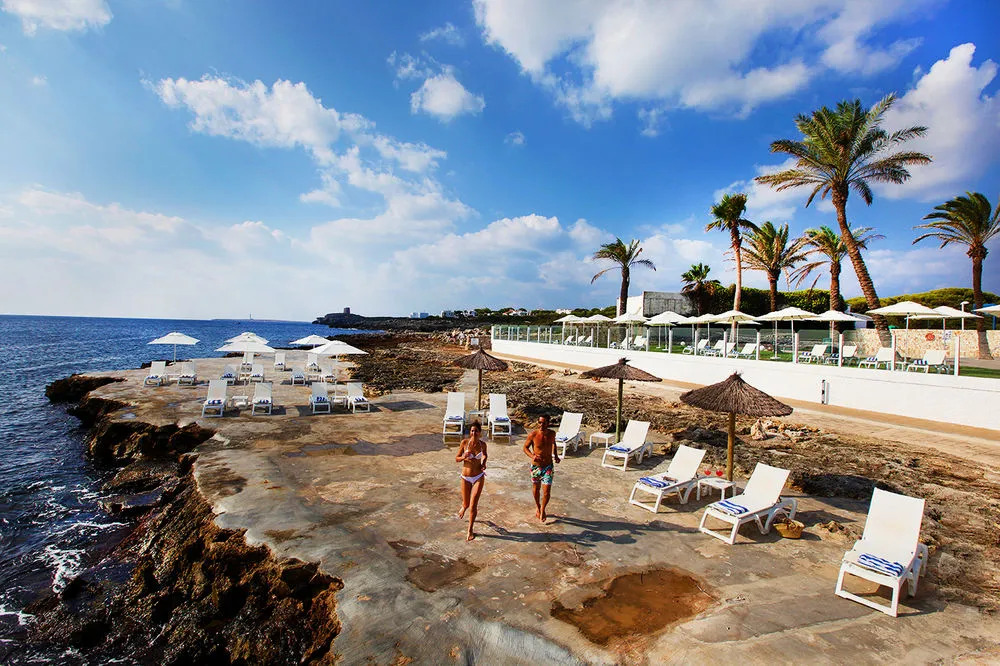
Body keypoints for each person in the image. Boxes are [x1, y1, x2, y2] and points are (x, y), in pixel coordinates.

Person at [523, 414, 559, 522]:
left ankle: (543, 509)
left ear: (548, 423)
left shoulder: (552, 434)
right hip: (536, 467)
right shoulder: (533, 434)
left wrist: (556, 456)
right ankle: (538, 506)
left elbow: (554, 444)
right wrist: (532, 456)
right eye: (540, 422)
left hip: (548, 466)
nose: (541, 425)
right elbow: (525, 448)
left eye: (544, 423)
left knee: (547, 491)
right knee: (536, 488)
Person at [456, 420, 488, 541]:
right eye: (472, 431)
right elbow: (457, 458)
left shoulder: (483, 445)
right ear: (470, 432)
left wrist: (483, 463)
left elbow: (485, 455)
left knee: (473, 505)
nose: (474, 433)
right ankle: (464, 506)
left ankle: (470, 530)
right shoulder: (464, 443)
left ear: (480, 433)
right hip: (466, 477)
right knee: (467, 503)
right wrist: (464, 457)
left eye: (476, 431)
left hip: (478, 476)